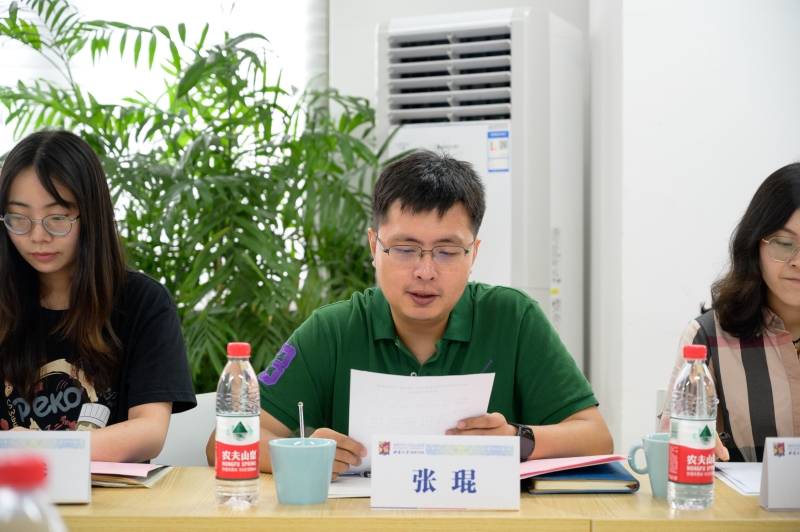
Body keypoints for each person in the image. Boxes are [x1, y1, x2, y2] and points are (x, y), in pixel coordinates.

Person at [206, 150, 613, 475]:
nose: (425, 271)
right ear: (374, 247)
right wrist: (301, 456)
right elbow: (224, 443)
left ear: (473, 254)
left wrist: (514, 439)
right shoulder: (333, 330)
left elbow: (595, 436)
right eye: (404, 249)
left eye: (447, 252)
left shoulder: (513, 318)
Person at [0, 129, 196, 462]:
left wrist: (40, 449)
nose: (37, 236)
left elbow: (149, 431)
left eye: (57, 218)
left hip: (108, 493)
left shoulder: (143, 302)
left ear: (90, 215)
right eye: (19, 218)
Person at [659, 163, 800, 462]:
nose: (797, 261)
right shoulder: (709, 338)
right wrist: (692, 444)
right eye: (784, 243)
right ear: (755, 245)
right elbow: (674, 455)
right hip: (744, 495)